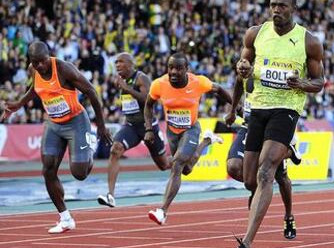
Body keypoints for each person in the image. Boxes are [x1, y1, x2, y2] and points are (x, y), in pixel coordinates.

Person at [227, 0, 325, 248]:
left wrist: (302, 84)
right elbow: (243, 71)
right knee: (249, 179)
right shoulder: (255, 34)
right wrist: (242, 70)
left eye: (282, 6)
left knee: (266, 171)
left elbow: (320, 83)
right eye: (272, 5)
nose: (276, 10)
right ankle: (282, 159)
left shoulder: (308, 41)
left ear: (293, 8)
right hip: (257, 109)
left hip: (286, 110)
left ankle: (245, 246)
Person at [3, 41, 112, 234]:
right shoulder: (34, 70)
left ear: (49, 57)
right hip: (54, 124)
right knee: (48, 170)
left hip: (76, 121)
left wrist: (101, 125)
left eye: (42, 62)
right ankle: (65, 218)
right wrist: (18, 104)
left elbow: (91, 92)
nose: (39, 66)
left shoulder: (63, 69)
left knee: (79, 173)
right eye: (35, 63)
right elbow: (34, 89)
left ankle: (90, 146)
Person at [144, 52, 232, 225]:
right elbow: (148, 106)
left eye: (178, 68)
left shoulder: (199, 82)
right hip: (172, 131)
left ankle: (162, 210)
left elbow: (220, 89)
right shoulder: (158, 84)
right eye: (170, 68)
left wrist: (235, 108)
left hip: (191, 129)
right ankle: (207, 140)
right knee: (186, 169)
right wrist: (148, 129)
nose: (173, 72)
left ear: (186, 69)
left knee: (176, 164)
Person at [225, 54, 302, 236]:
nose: (244, 67)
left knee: (281, 178)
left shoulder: (270, 75)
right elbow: (238, 86)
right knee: (234, 167)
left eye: (249, 64)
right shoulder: (243, 74)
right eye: (243, 64)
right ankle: (259, 189)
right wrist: (232, 110)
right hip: (249, 125)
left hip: (272, 127)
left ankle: (289, 216)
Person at [97, 52, 171, 207]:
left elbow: (149, 101)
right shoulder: (122, 80)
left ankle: (183, 159)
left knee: (164, 165)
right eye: (116, 62)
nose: (117, 65)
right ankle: (110, 195)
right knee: (115, 150)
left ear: (131, 64)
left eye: (121, 62)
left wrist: (127, 89)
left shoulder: (141, 78)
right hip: (130, 126)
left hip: (148, 126)